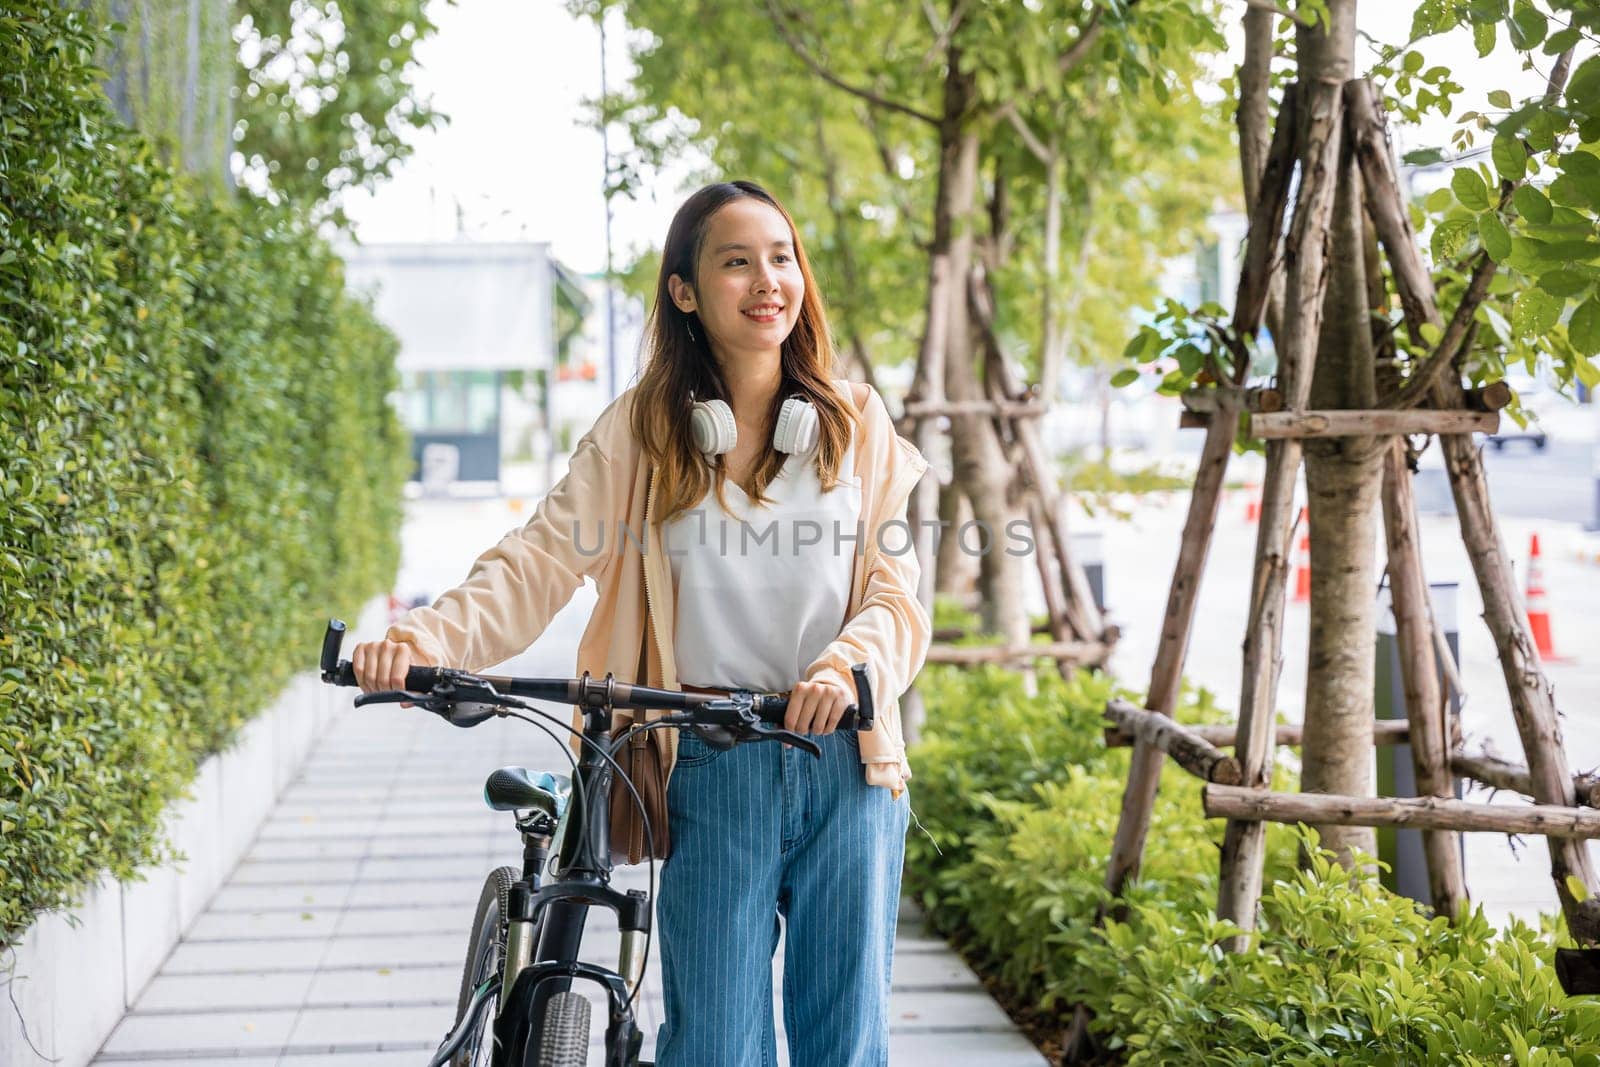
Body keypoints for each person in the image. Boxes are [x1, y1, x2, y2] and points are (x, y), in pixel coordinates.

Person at [352, 179, 931, 1065]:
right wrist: (424, 639)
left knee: (845, 1044)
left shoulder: (856, 426)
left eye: (781, 258)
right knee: (711, 1046)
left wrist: (842, 669)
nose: (767, 280)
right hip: (709, 762)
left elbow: (896, 596)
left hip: (846, 767)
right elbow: (538, 559)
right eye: (737, 262)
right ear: (684, 290)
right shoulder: (644, 432)